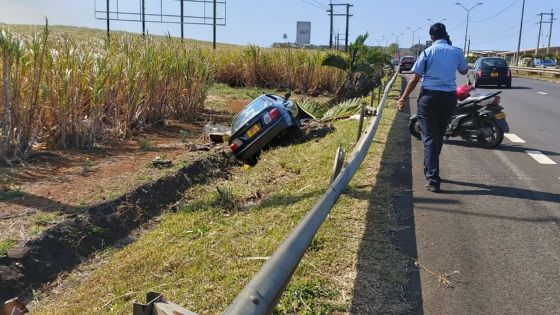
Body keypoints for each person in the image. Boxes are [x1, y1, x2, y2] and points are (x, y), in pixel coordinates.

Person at [397, 23, 468, 192]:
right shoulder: (456, 51)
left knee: (429, 137)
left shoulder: (427, 52)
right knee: (439, 135)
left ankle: (433, 178)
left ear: (431, 37)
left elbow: (415, 79)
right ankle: (431, 171)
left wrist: (403, 97)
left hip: (429, 97)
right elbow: (464, 71)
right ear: (446, 35)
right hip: (448, 98)